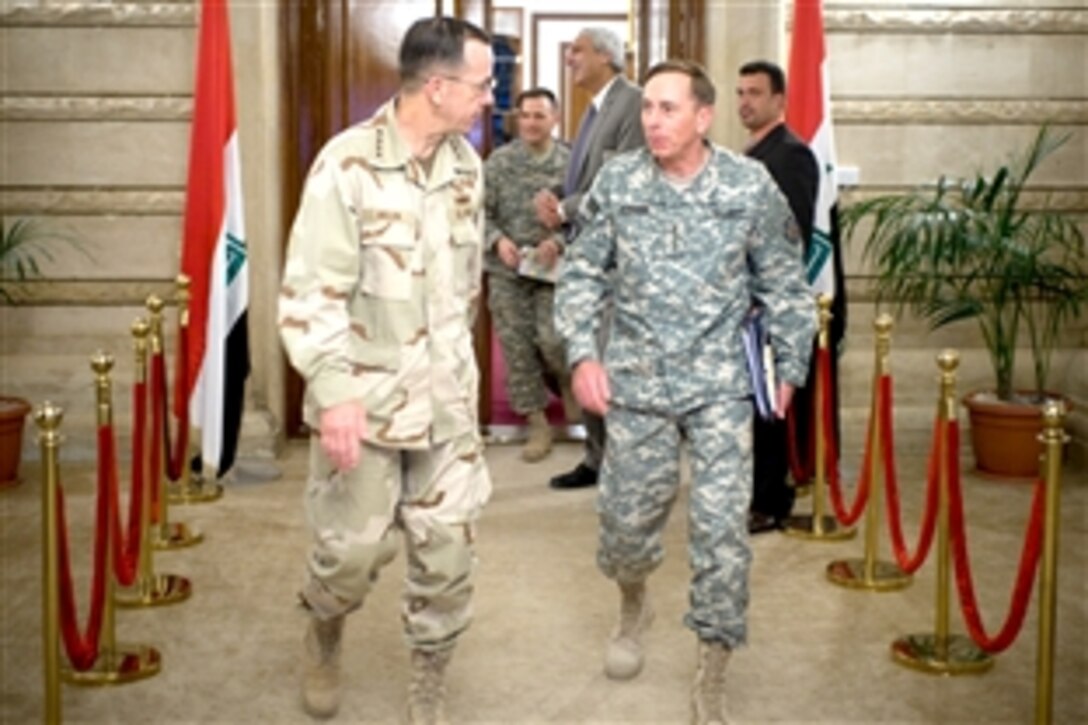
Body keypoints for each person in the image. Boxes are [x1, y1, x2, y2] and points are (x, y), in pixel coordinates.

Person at [554, 60, 817, 724]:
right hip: (636, 381)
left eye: (669, 109)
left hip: (721, 385)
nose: (652, 120)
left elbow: (785, 279)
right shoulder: (620, 181)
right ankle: (633, 598)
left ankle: (713, 668)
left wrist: (790, 366)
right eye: (648, 107)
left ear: (703, 117)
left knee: (723, 532)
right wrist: (583, 353)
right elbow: (582, 273)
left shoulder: (748, 184)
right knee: (624, 528)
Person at [278, 16, 493, 724]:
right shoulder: (347, 165)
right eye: (481, 83)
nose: (489, 97)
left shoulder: (467, 165)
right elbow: (311, 294)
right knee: (349, 559)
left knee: (448, 560)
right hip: (364, 410)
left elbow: (463, 291)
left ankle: (428, 677)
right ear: (437, 87)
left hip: (447, 409)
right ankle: (324, 626)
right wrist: (334, 394)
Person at [533, 26, 644, 490]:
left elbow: (626, 177)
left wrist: (566, 209)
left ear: (605, 55)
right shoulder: (594, 108)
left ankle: (620, 467)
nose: (570, 59)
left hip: (618, 261)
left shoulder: (633, 103)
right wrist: (555, 194)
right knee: (589, 358)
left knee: (610, 364)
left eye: (577, 51)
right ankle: (597, 459)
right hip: (588, 257)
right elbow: (588, 175)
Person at [736, 60, 819, 534]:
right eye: (740, 92)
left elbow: (794, 235)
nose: (745, 101)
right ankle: (752, 491)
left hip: (768, 303)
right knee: (750, 404)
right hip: (742, 299)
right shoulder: (751, 152)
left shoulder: (790, 154)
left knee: (769, 407)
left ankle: (771, 500)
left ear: (779, 101)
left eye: (755, 93)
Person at [484, 87, 571, 463]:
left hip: (553, 271)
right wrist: (497, 240)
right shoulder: (499, 163)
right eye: (525, 115)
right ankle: (537, 424)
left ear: (555, 119)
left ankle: (566, 383)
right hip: (508, 270)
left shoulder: (570, 163)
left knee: (553, 340)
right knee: (517, 347)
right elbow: (478, 213)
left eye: (539, 116)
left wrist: (559, 241)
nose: (531, 123)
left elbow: (588, 215)